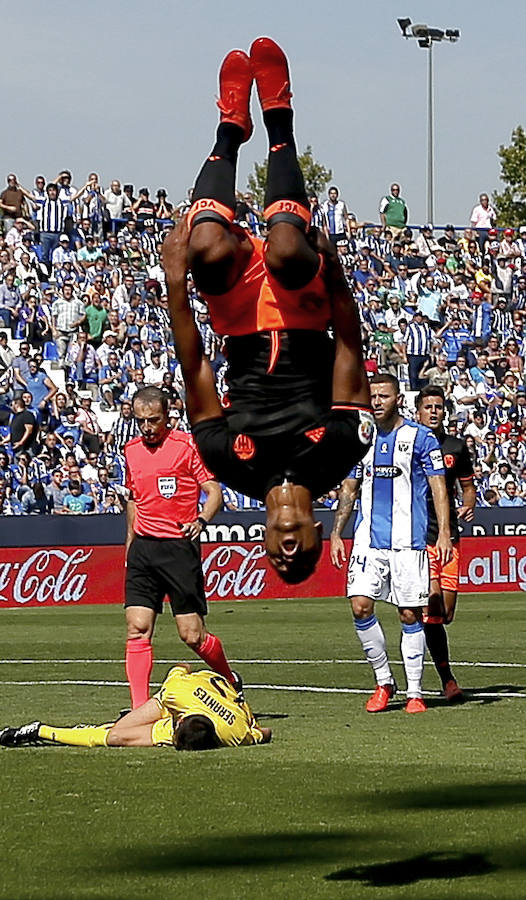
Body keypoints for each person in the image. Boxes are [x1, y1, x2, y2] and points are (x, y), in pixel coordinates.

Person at [162, 38, 372, 584]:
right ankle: (279, 118)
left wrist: (175, 284)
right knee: (284, 247)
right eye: (299, 558)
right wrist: (337, 277)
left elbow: (196, 369)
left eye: (279, 563)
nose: (284, 555)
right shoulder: (342, 452)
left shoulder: (227, 462)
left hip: (237, 318)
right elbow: (350, 348)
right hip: (305, 311)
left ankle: (230, 128)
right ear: (316, 536)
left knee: (205, 245)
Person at [330, 373, 452, 714]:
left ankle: (415, 692)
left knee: (410, 612)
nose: (378, 401)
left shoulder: (421, 438)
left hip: (408, 542)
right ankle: (383, 681)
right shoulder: (361, 439)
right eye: (373, 396)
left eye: (384, 395)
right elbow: (349, 489)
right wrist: (338, 531)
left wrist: (443, 533)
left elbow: (439, 488)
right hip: (368, 541)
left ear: (398, 399)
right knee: (360, 606)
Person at [124, 386, 239, 709]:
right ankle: (138, 709)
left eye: (153, 420)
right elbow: (134, 499)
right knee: (137, 629)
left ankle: (230, 679)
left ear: (167, 416)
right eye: (141, 421)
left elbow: (214, 492)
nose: (147, 427)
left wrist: (201, 520)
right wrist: (129, 546)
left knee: (192, 635)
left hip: (178, 549)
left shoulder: (187, 446)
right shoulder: (130, 450)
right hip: (143, 550)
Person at [0, 663, 271, 750]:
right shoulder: (179, 692)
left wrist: (255, 727)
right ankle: (112, 723)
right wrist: (256, 729)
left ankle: (39, 731)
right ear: (178, 719)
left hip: (211, 700)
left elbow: (264, 732)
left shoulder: (235, 733)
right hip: (180, 695)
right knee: (120, 729)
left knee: (114, 737)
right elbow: (182, 667)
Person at [415, 385, 475, 702]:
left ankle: (418, 628)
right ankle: (447, 680)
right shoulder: (408, 444)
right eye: (429, 407)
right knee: (433, 604)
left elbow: (468, 486)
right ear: (418, 411)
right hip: (419, 537)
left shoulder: (455, 447)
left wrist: (469, 503)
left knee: (444, 614)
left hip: (448, 535)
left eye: (439, 406)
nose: (434, 411)